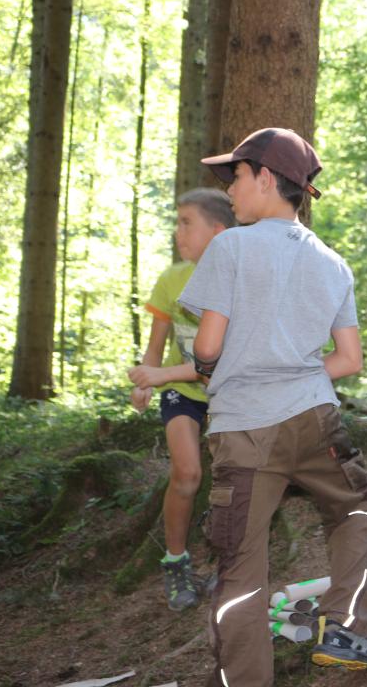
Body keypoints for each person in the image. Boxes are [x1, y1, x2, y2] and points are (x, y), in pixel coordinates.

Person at [178, 127, 367, 685]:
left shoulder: (231, 246)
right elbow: (348, 359)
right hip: (315, 419)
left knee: (242, 563)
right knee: (356, 507)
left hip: (246, 430)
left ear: (267, 179)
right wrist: (294, 369)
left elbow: (208, 347)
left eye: (237, 177)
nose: (230, 191)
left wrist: (215, 366)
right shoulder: (334, 263)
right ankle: (346, 627)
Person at [127, 188, 235, 612]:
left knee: (237, 480)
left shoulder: (239, 280)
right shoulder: (172, 279)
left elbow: (220, 361)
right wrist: (145, 380)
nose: (178, 232)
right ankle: (176, 563)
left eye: (187, 223)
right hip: (182, 393)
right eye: (177, 223)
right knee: (187, 474)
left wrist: (159, 374)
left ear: (219, 232)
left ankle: (231, 565)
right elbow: (155, 348)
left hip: (230, 392)